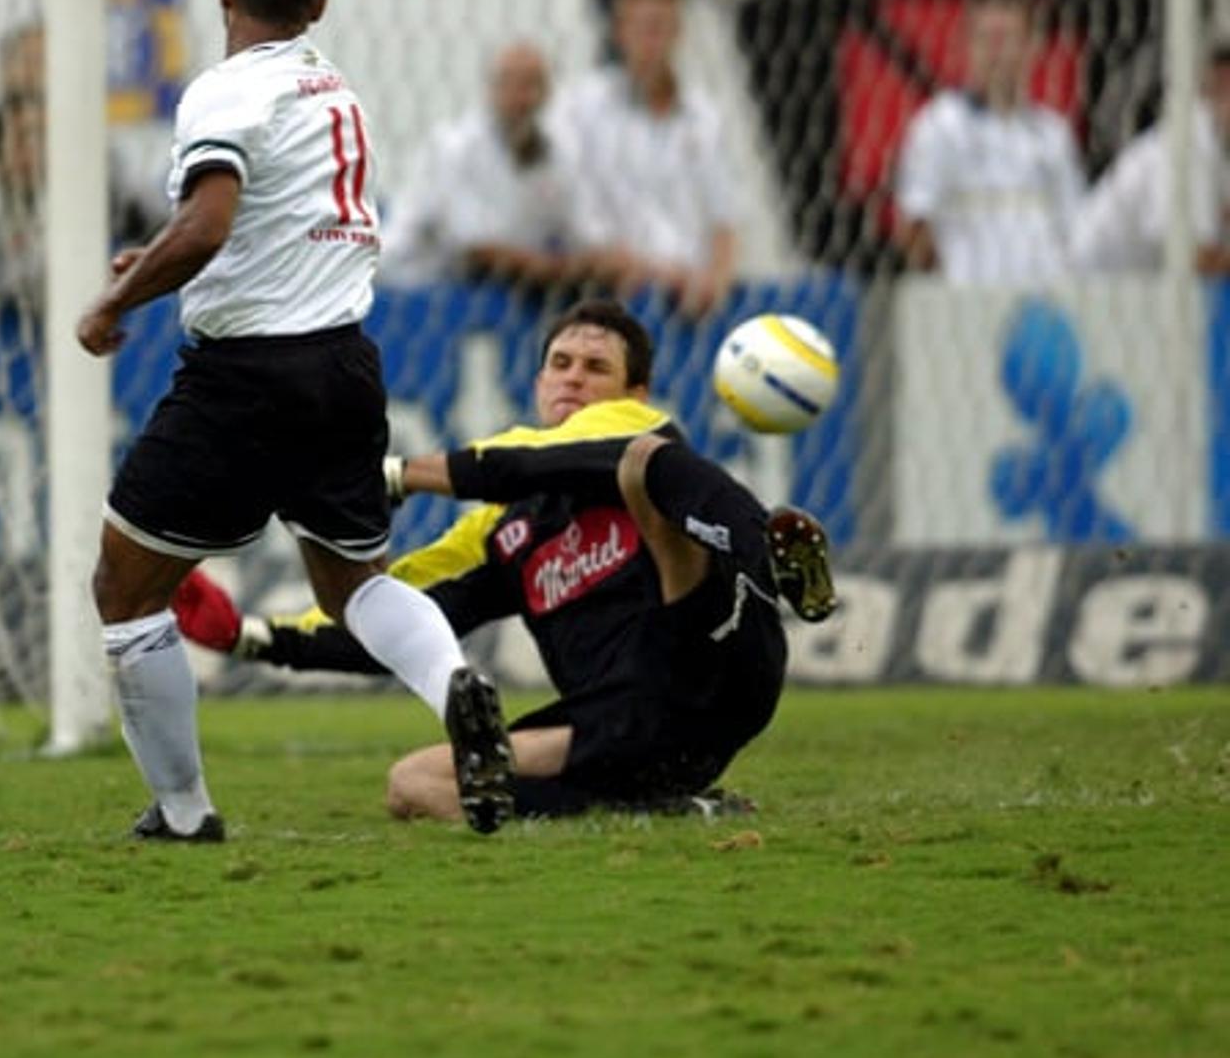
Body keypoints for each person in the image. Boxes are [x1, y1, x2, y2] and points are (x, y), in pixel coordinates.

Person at [75, 0, 514, 842]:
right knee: (354, 584)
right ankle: (454, 685)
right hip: (344, 365)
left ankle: (185, 813)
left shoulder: (226, 90)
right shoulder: (333, 89)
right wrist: (155, 255)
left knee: (124, 588)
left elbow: (209, 228)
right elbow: (247, 226)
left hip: (245, 378)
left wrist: (117, 300)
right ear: (317, 6)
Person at [175, 299, 837, 822]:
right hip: (626, 727)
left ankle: (775, 565)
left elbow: (519, 459)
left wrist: (393, 474)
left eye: (596, 367)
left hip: (719, 665)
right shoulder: (508, 529)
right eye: (561, 362)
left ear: (637, 392)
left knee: (647, 469)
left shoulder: (636, 430)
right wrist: (251, 638)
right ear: (540, 380)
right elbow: (400, 607)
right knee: (416, 785)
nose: (574, 376)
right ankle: (657, 809)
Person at [0, 22, 159, 312]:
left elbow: (144, 214)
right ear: (6, 71)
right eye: (32, 61)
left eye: (52, 62)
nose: (41, 74)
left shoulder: (94, 151)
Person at [554, 0, 740, 319]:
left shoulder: (703, 116)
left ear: (679, 32)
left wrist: (715, 281)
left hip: (691, 301)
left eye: (662, 27)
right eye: (643, 27)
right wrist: (654, 271)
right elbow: (574, 217)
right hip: (612, 298)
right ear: (620, 33)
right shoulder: (582, 108)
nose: (652, 40)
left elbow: (724, 219)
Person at [382, 42, 628, 290]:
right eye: (509, 83)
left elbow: (589, 234)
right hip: (418, 279)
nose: (520, 98)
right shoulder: (455, 147)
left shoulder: (559, 153)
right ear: (491, 89)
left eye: (531, 84)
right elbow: (477, 248)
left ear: (548, 92)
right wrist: (558, 267)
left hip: (506, 289)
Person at [894, 0, 1086, 285]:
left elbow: (1075, 228)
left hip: (1045, 296)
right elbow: (915, 222)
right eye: (985, 40)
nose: (996, 52)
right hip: (966, 298)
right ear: (967, 48)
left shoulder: (1053, 134)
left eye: (1007, 39)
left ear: (1032, 46)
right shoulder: (939, 125)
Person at [1070, 42, 1230, 275]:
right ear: (1220, 84)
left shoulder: (1216, 145)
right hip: (1087, 290)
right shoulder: (1184, 147)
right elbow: (1196, 261)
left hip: (1133, 294)